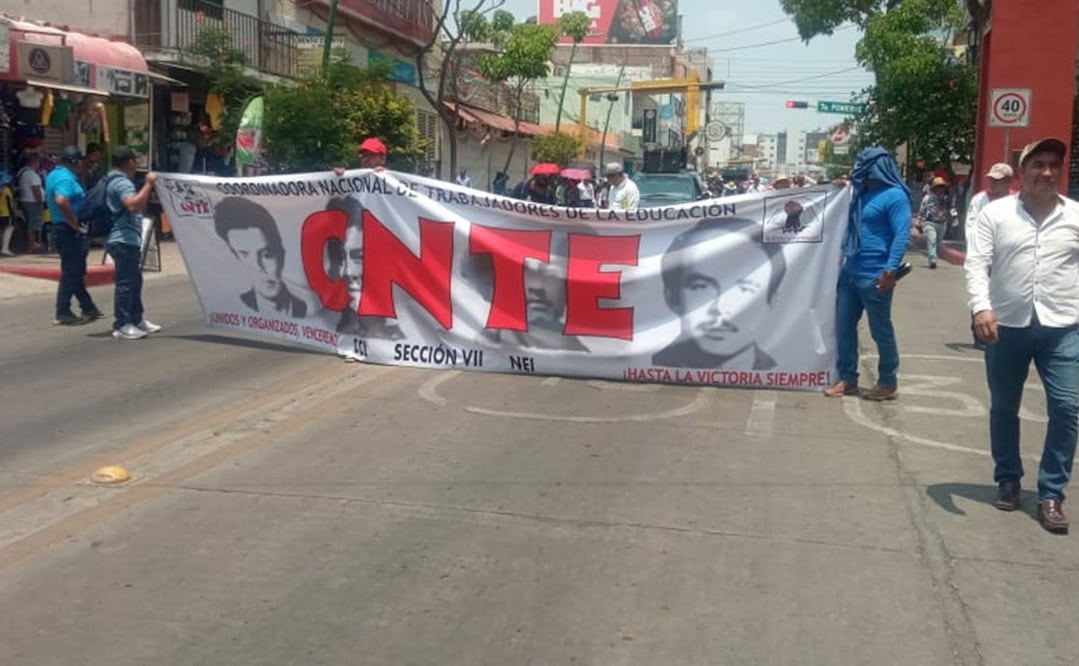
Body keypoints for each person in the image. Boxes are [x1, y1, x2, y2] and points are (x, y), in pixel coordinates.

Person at [965, 137, 1079, 534]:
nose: (1048, 172)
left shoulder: (1076, 217)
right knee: (1004, 407)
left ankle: (1051, 494)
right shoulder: (996, 214)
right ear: (1024, 170)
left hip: (1063, 328)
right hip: (1006, 326)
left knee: (1067, 408)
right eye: (1039, 164)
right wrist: (981, 307)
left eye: (1054, 165)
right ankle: (1008, 479)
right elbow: (977, 263)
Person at [823, 147, 911, 401]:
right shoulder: (859, 193)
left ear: (878, 167)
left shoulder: (896, 196)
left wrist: (890, 270)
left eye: (864, 165)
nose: (859, 169)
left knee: (880, 330)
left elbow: (901, 235)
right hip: (850, 271)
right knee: (843, 327)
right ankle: (848, 378)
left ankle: (888, 382)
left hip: (876, 274)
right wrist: (837, 186)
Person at [652, 218, 786, 369]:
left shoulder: (782, 369)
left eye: (745, 289)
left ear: (771, 301)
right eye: (701, 287)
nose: (720, 310)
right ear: (672, 299)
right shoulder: (650, 365)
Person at [323, 196, 404, 339]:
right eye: (341, 257)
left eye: (359, 257)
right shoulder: (331, 323)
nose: (347, 272)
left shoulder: (401, 331)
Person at [214, 197, 307, 318]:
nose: (259, 267)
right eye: (244, 254)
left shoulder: (307, 309)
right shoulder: (238, 305)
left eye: (267, 254)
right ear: (235, 256)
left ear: (281, 253)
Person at [105, 146, 161, 340]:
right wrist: (148, 184)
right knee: (126, 283)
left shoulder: (112, 178)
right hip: (123, 238)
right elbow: (132, 204)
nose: (136, 165)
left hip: (124, 238)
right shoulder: (121, 182)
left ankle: (137, 319)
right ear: (129, 162)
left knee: (135, 281)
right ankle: (122, 324)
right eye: (134, 161)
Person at [44, 146, 104, 325]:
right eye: (79, 161)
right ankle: (62, 310)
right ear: (74, 161)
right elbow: (61, 200)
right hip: (68, 229)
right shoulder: (65, 178)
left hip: (62, 227)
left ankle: (88, 306)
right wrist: (74, 223)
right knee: (71, 271)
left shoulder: (54, 174)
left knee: (75, 269)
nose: (81, 165)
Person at [965, 163, 1015, 350]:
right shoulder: (980, 200)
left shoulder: (1016, 201)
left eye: (998, 181)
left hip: (1005, 259)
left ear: (1008, 182)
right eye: (991, 180)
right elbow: (971, 227)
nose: (993, 184)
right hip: (984, 256)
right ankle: (979, 332)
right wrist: (977, 253)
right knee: (981, 293)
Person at [916, 176, 953, 269]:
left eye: (941, 186)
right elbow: (922, 210)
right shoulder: (927, 198)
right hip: (930, 223)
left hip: (942, 223)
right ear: (934, 188)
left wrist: (954, 216)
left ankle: (933, 256)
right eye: (938, 186)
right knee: (931, 240)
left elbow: (951, 208)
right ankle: (932, 260)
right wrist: (918, 223)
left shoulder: (946, 198)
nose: (939, 188)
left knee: (937, 242)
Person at [16, 153, 45, 253]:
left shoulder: (22, 173)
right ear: (35, 162)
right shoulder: (33, 175)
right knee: (32, 225)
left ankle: (32, 244)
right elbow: (36, 190)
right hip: (33, 202)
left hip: (24, 200)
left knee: (29, 224)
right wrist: (40, 202)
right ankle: (31, 246)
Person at [0, 172, 14, 256]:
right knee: (9, 228)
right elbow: (10, 204)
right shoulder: (6, 190)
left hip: (3, 212)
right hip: (5, 213)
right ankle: (5, 248)